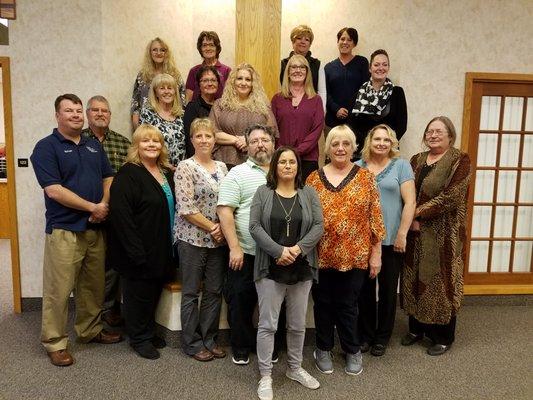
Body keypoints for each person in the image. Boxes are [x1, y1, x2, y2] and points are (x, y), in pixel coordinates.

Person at [30, 94, 122, 367]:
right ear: (57, 115)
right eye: (68, 110)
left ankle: (89, 330)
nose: (75, 115)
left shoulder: (93, 145)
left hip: (94, 229)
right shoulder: (46, 148)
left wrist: (103, 204)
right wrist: (91, 207)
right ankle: (55, 342)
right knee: (59, 290)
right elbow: (54, 190)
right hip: (64, 230)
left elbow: (109, 177)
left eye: (78, 110)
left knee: (92, 287)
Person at [306, 125, 385, 376]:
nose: (340, 148)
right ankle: (323, 348)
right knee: (322, 304)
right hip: (321, 255)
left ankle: (352, 349)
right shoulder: (313, 179)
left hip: (356, 255)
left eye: (346, 144)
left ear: (353, 148)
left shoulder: (366, 178)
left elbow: (376, 219)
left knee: (348, 305)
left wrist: (376, 253)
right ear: (328, 148)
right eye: (335, 144)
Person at [250, 146, 324, 400]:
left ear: (298, 167)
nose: (288, 166)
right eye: (282, 162)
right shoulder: (263, 192)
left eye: (292, 162)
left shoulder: (309, 193)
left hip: (301, 267)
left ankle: (294, 368)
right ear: (275, 166)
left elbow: (318, 225)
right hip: (270, 267)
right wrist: (278, 251)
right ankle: (266, 376)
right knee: (268, 325)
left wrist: (298, 249)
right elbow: (255, 226)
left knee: (297, 325)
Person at [401, 116, 471, 356]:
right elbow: (406, 191)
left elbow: (452, 197)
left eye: (439, 131)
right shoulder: (416, 160)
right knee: (413, 277)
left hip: (444, 233)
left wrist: (415, 213)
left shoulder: (459, 160)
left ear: (450, 135)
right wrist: (410, 219)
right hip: (414, 232)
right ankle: (417, 328)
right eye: (429, 131)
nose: (433, 135)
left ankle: (442, 335)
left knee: (440, 281)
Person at [107, 124, 176, 360]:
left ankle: (146, 330)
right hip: (137, 248)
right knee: (138, 294)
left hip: (161, 245)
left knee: (154, 291)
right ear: (136, 145)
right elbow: (121, 216)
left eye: (156, 141)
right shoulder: (128, 174)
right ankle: (139, 338)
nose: (152, 145)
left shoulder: (166, 172)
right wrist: (135, 251)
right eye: (146, 141)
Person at [216, 124, 276, 365]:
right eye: (254, 141)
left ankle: (270, 348)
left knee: (272, 305)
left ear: (273, 143)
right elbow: (225, 211)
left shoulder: (285, 170)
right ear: (247, 146)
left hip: (277, 254)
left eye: (264, 139)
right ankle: (240, 346)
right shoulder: (238, 173)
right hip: (245, 251)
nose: (260, 144)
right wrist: (234, 247)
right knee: (240, 300)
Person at [355, 124, 416, 357]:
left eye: (386, 140)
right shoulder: (357, 167)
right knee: (365, 291)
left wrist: (402, 233)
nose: (381, 143)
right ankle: (366, 335)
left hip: (392, 240)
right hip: (363, 241)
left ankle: (382, 337)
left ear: (393, 144)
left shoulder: (401, 166)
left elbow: (410, 202)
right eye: (377, 139)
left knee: (389, 290)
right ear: (369, 141)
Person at [174, 118, 228, 362]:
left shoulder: (223, 167)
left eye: (208, 136)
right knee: (191, 292)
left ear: (214, 140)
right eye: (199, 136)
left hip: (218, 242)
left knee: (214, 291)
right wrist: (214, 227)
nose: (204, 140)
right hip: (192, 238)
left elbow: (228, 200)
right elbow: (186, 206)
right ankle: (192, 343)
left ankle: (209, 339)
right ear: (192, 140)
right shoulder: (185, 167)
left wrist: (221, 231)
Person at [82, 95, 131, 327]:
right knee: (87, 267)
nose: (100, 114)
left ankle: (108, 309)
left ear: (110, 115)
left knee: (112, 265)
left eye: (105, 111)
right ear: (87, 113)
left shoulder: (123, 143)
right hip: (84, 214)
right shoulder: (78, 140)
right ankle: (88, 315)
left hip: (115, 215)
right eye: (95, 110)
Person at [210, 63, 278, 168]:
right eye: (239, 78)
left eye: (248, 79)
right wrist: (237, 140)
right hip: (224, 161)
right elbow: (212, 132)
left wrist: (249, 141)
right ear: (233, 82)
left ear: (253, 84)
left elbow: (271, 132)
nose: (243, 83)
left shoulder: (263, 105)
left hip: (256, 161)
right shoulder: (220, 104)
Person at [272, 55, 324, 181]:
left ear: (307, 72)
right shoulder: (277, 99)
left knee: (305, 198)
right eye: (293, 67)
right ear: (288, 72)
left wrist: (297, 151)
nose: (298, 70)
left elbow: (317, 130)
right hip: (282, 159)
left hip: (308, 159)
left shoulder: (316, 99)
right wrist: (283, 152)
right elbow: (272, 129)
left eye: (302, 67)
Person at [350, 49, 407, 158]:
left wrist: (385, 145)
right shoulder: (359, 94)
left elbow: (401, 126)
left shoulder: (397, 92)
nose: (381, 68)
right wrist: (369, 146)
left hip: (389, 153)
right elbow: (352, 125)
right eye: (376, 65)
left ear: (388, 68)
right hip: (363, 154)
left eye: (384, 65)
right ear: (370, 68)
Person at [131, 37, 184, 129]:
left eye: (162, 50)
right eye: (155, 50)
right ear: (150, 53)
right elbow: (136, 103)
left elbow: (182, 102)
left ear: (166, 53)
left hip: (171, 123)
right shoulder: (143, 75)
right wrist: (138, 127)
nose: (158, 53)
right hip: (146, 122)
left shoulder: (175, 75)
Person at [324, 27, 369, 132]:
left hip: (355, 121)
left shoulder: (362, 62)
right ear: (338, 41)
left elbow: (365, 89)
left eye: (349, 40)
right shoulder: (328, 67)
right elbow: (325, 93)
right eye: (342, 39)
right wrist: (337, 109)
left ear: (354, 44)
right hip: (332, 122)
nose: (345, 42)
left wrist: (350, 109)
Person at [140, 73, 186, 167]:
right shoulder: (148, 113)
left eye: (170, 88)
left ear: (175, 92)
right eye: (162, 88)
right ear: (156, 93)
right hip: (157, 167)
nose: (166, 91)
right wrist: (165, 165)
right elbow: (144, 142)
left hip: (181, 169)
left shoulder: (182, 114)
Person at [279, 25, 326, 101]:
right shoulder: (283, 64)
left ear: (310, 44)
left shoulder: (317, 64)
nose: (303, 42)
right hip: (287, 106)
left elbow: (322, 92)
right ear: (293, 41)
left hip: (311, 107)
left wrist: (322, 111)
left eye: (307, 40)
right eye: (299, 38)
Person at [183, 66, 220, 158]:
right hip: (200, 160)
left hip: (220, 159)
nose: (210, 83)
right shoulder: (192, 107)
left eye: (213, 80)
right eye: (205, 81)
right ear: (199, 85)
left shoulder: (221, 106)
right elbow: (190, 140)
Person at [185, 31, 231, 103]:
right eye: (204, 45)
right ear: (200, 49)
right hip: (198, 112)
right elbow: (189, 98)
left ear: (217, 48)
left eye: (211, 45)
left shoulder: (227, 70)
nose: (208, 48)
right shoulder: (194, 71)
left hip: (220, 110)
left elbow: (230, 95)